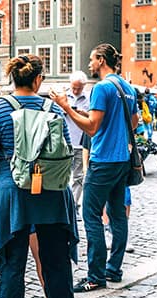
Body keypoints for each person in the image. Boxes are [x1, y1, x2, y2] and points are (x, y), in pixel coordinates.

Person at [0, 54, 78, 298]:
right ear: (38, 80)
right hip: (51, 190)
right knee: (56, 258)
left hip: (12, 191)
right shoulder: (53, 108)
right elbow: (65, 149)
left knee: (13, 264)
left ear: (13, 77)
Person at [50, 43, 138, 293]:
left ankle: (96, 275)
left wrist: (66, 107)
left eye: (92, 59)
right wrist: (114, 130)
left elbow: (91, 127)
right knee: (118, 215)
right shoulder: (127, 87)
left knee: (91, 215)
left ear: (101, 60)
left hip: (103, 160)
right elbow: (134, 122)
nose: (89, 63)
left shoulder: (101, 88)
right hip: (122, 160)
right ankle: (114, 269)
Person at [65, 71, 90, 212]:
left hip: (81, 144)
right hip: (65, 144)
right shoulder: (64, 97)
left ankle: (73, 206)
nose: (75, 91)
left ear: (83, 86)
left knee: (78, 177)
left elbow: (93, 119)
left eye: (78, 88)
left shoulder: (89, 98)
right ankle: (64, 204)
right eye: (73, 88)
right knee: (63, 176)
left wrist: (85, 114)